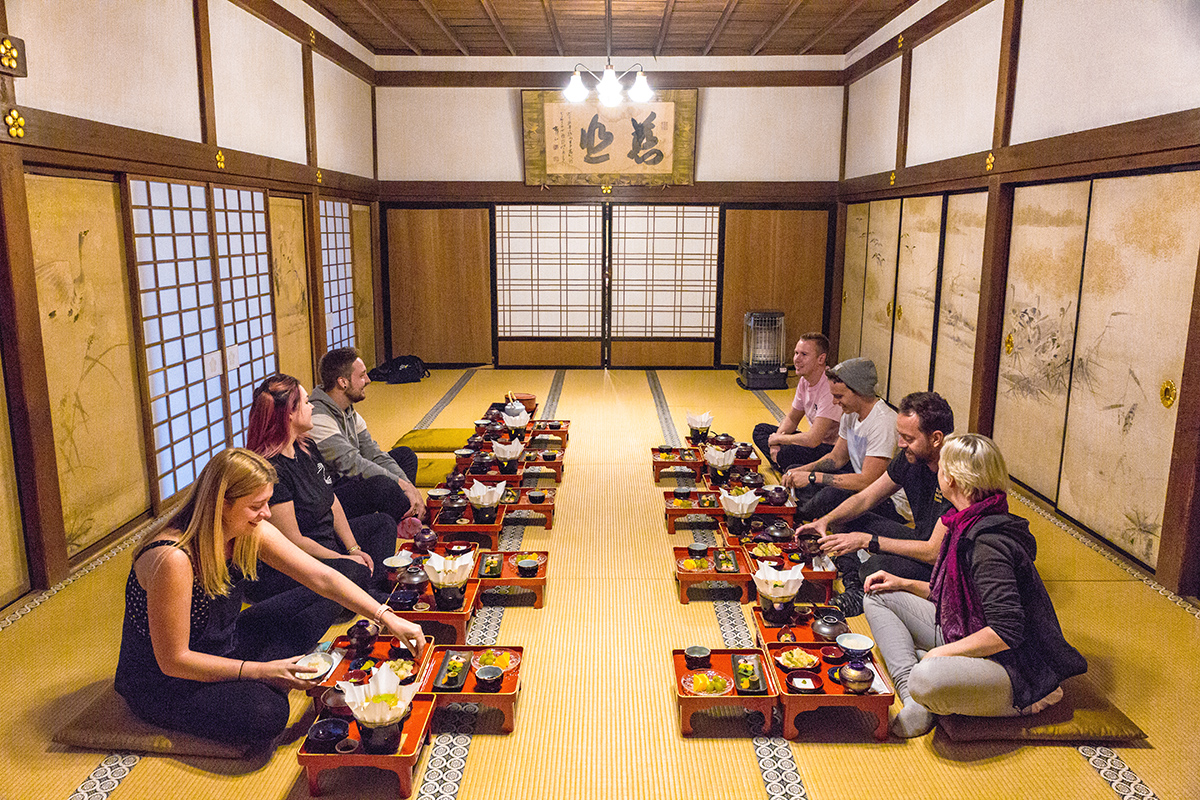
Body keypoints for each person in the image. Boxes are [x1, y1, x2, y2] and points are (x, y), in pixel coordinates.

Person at [115, 448, 426, 747]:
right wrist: (264, 671)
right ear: (223, 504)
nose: (266, 513)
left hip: (225, 643)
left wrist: (386, 616)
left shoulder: (247, 529)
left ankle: (267, 673)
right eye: (256, 505)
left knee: (346, 577)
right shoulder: (172, 559)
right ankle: (264, 677)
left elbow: (322, 577)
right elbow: (175, 661)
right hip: (167, 681)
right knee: (267, 714)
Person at [862, 433, 1087, 738]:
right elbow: (949, 596)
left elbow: (1007, 632)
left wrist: (937, 656)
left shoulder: (989, 544)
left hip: (1016, 669)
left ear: (951, 479)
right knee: (879, 595)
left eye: (941, 469)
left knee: (926, 675)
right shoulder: (961, 520)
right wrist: (901, 582)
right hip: (967, 631)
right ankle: (912, 695)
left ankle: (920, 684)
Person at [797, 391, 956, 617]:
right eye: (900, 436)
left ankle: (863, 589)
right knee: (846, 514)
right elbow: (866, 497)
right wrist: (825, 521)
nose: (901, 444)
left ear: (936, 438)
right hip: (921, 540)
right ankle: (853, 586)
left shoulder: (955, 474)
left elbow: (934, 552)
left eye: (909, 439)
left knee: (874, 567)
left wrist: (867, 541)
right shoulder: (911, 457)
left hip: (944, 564)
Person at [244, 374, 398, 599]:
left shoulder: (306, 447)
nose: (312, 407)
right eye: (306, 402)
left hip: (327, 541)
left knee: (383, 524)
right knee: (354, 571)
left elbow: (332, 499)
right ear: (289, 413)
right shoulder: (272, 471)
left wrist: (354, 548)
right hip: (297, 560)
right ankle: (364, 594)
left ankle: (368, 590)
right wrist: (344, 559)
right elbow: (294, 542)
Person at [781, 357, 905, 523]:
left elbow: (868, 481)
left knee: (830, 495)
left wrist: (812, 477)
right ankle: (809, 510)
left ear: (859, 391)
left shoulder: (883, 423)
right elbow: (836, 458)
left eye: (839, 396)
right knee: (793, 469)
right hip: (860, 483)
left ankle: (798, 514)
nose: (834, 402)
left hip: (889, 501)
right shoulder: (850, 413)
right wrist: (802, 471)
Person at [310, 347, 426, 524]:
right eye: (362, 375)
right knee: (383, 485)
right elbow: (352, 464)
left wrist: (409, 487)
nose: (369, 380)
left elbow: (374, 453)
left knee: (405, 456)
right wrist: (402, 485)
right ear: (343, 382)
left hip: (348, 480)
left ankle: (406, 517)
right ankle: (410, 518)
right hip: (330, 496)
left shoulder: (347, 410)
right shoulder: (318, 416)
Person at [751, 333, 841, 473]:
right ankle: (784, 463)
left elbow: (813, 439)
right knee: (760, 430)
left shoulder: (830, 386)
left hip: (830, 449)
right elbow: (793, 418)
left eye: (804, 354)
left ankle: (786, 464)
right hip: (812, 443)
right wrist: (776, 442)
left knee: (789, 451)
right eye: (796, 353)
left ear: (821, 358)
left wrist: (780, 439)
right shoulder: (805, 380)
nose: (797, 359)